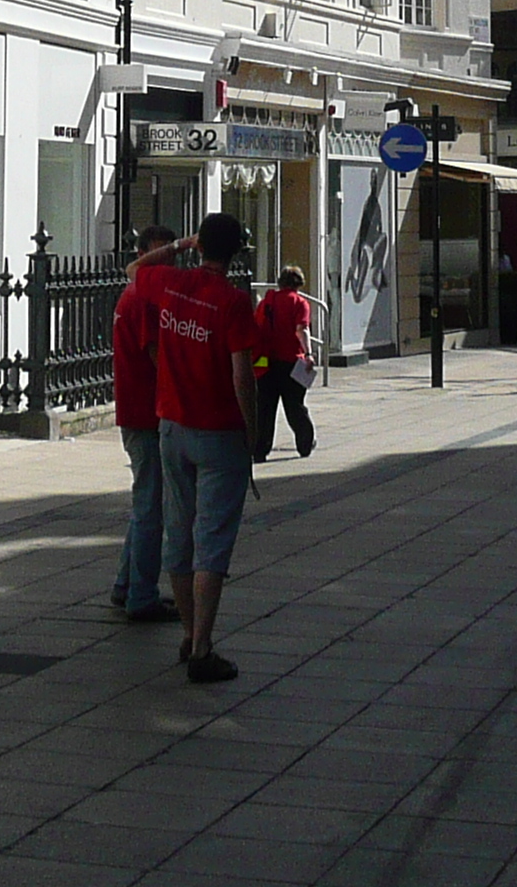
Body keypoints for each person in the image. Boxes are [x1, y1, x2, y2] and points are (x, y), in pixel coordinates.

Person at [135, 212, 260, 684]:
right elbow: (241, 373)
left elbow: (135, 271)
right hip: (219, 431)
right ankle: (203, 646)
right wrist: (251, 432)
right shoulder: (232, 301)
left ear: (201, 246)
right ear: (236, 254)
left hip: (172, 424)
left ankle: (189, 635)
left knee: (179, 531)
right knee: (213, 540)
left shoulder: (170, 284)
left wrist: (181, 245)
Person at [110, 227, 183, 625]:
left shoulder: (133, 295)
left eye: (170, 260)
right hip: (147, 413)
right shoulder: (146, 301)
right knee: (151, 507)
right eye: (159, 259)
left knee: (145, 502)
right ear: (141, 257)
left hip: (137, 411)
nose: (167, 267)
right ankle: (141, 594)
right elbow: (160, 360)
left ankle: (127, 585)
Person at [250, 267, 317, 460]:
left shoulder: (266, 302)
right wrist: (309, 354)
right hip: (292, 362)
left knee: (265, 408)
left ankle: (260, 450)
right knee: (295, 406)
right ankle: (304, 444)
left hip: (266, 362)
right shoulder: (299, 302)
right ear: (298, 284)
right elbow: (301, 330)